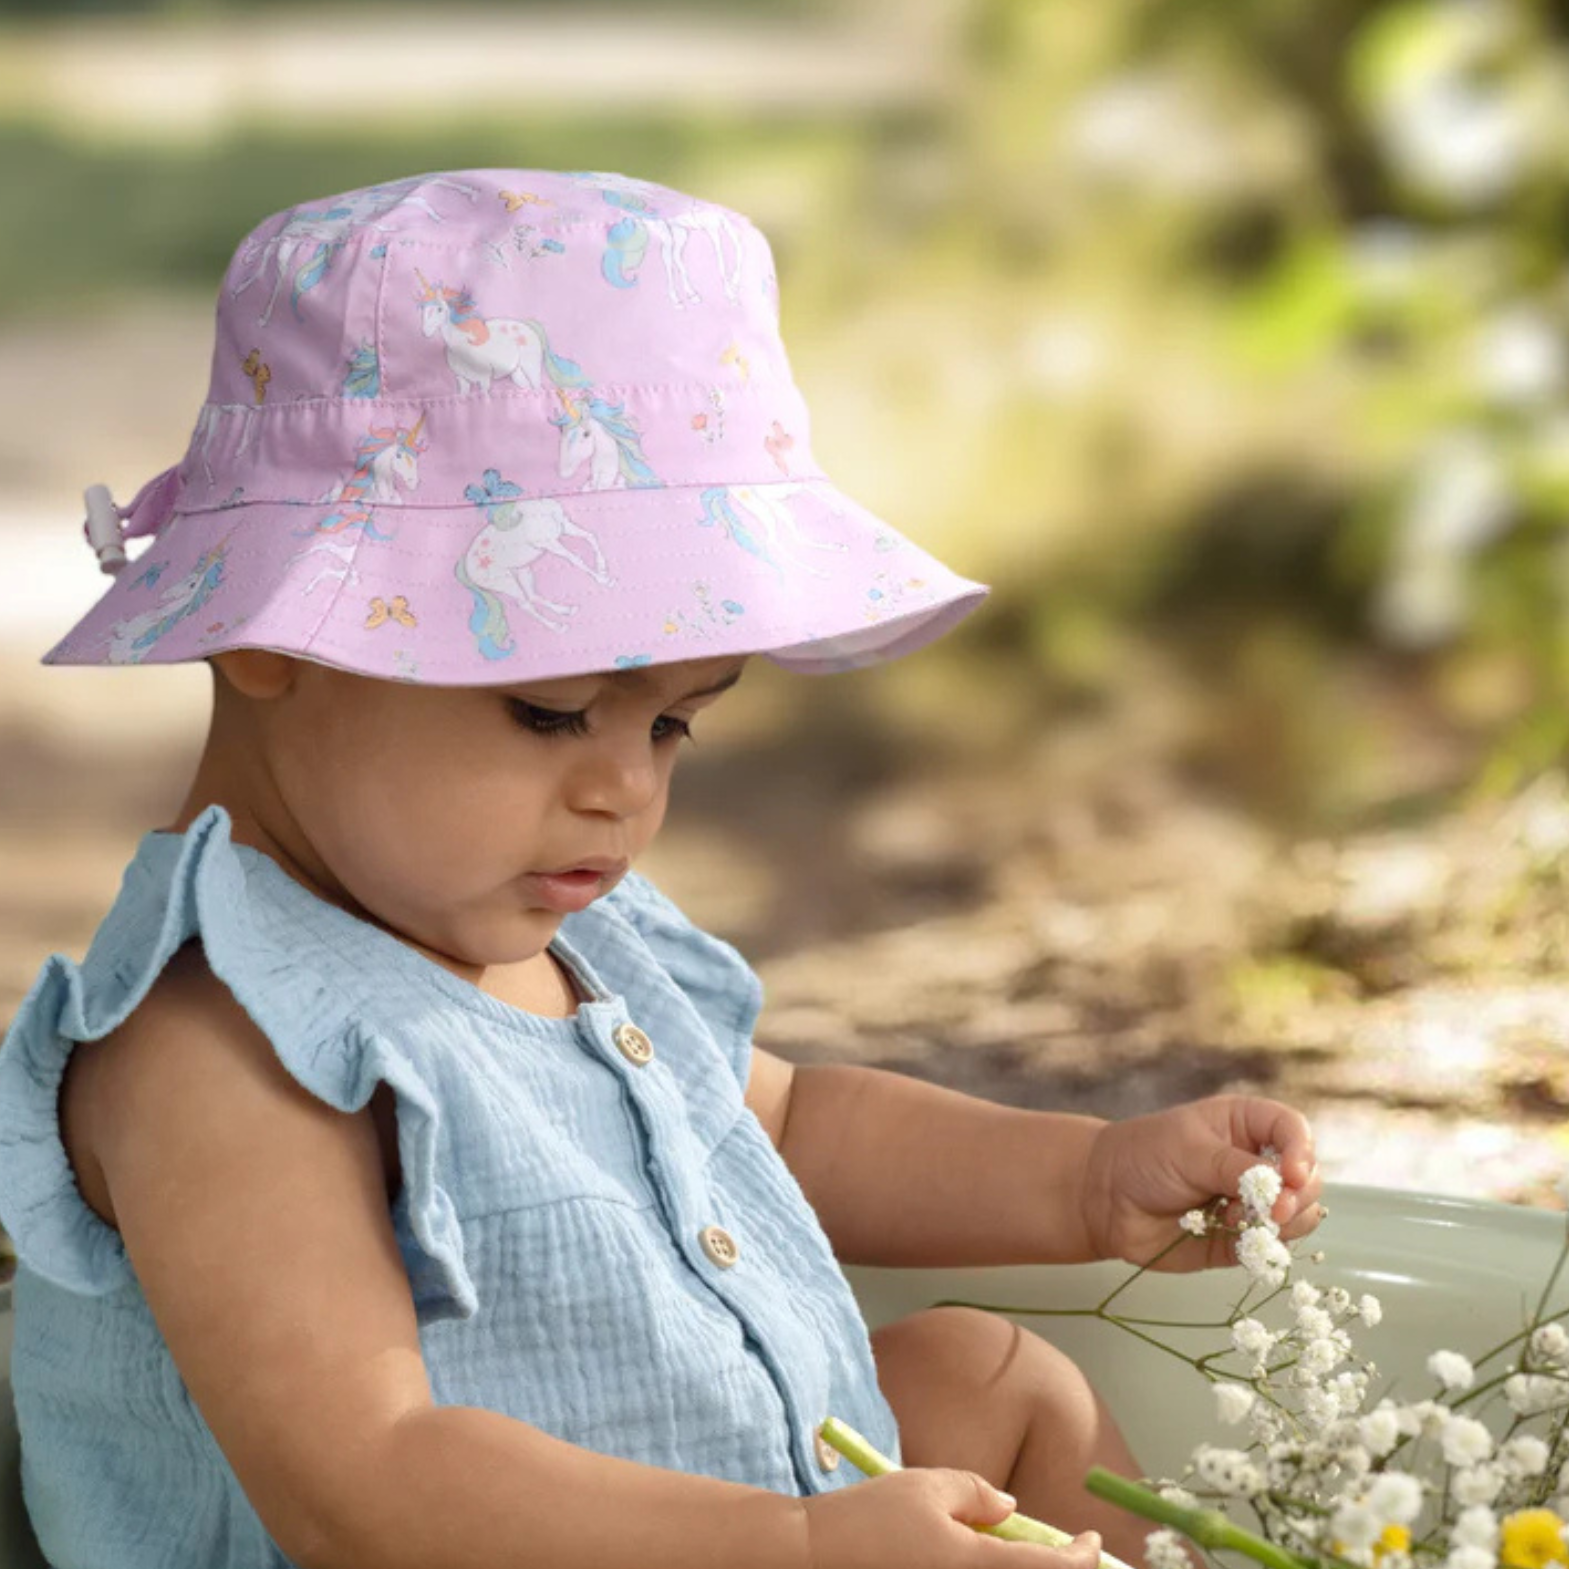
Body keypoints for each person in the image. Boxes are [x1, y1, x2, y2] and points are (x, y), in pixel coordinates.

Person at [0, 167, 1323, 1569]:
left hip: (737, 1521)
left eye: (676, 720)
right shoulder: (222, 1049)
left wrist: (1086, 1182)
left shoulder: (562, 926)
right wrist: (802, 1550)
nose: (625, 786)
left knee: (992, 1380)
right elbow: (367, 1486)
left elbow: (796, 1126)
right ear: (279, 625)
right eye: (551, 712)